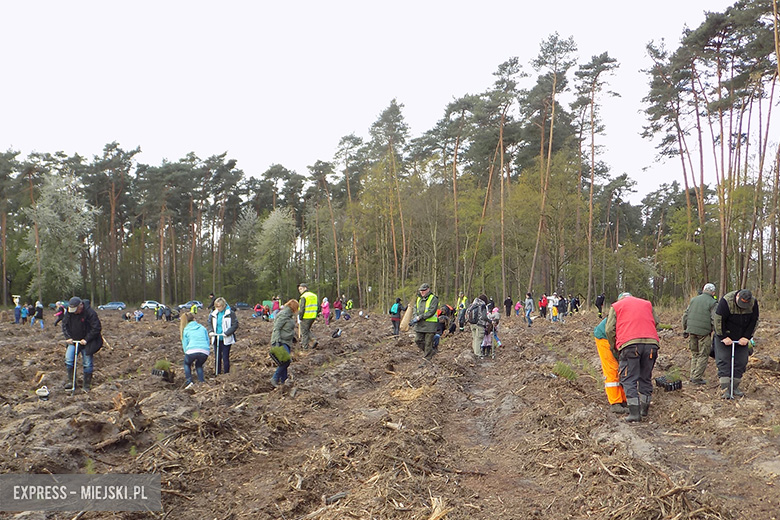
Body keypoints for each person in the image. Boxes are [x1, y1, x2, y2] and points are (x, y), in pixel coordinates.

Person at [606, 292, 660, 422]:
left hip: (629, 345)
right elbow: (656, 322)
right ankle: (644, 409)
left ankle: (634, 413)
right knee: (645, 377)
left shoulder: (616, 306)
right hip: (652, 344)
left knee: (628, 378)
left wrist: (614, 346)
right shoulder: (647, 304)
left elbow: (609, 330)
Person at [713, 289, 759, 399]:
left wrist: (747, 337)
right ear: (737, 296)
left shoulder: (753, 303)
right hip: (725, 335)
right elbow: (718, 320)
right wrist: (723, 336)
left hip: (742, 337)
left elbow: (754, 321)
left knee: (741, 361)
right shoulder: (726, 301)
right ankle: (725, 389)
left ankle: (734, 387)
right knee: (724, 360)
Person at [61, 296, 103, 392]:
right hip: (73, 341)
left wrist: (87, 339)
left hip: (87, 342)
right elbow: (64, 325)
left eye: (76, 310)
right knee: (69, 359)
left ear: (81, 306)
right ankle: (71, 381)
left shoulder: (90, 313)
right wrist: (68, 337)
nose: (74, 312)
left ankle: (86, 385)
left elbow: (96, 328)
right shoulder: (69, 313)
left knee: (87, 363)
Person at [682, 283, 717, 385]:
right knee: (703, 355)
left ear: (703, 289)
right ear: (713, 292)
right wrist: (716, 331)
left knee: (695, 354)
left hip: (691, 330)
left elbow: (685, 315)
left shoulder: (693, 300)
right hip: (704, 333)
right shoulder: (713, 302)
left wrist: (685, 329)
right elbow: (714, 319)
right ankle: (697, 378)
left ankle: (692, 375)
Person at [594, 317, 628, 414]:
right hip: (605, 337)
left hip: (617, 336)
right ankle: (615, 402)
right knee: (612, 368)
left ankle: (624, 399)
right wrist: (614, 350)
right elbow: (609, 330)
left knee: (623, 368)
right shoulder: (625, 310)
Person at [270, 299, 299, 387]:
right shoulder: (283, 315)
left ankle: (284, 381)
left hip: (287, 341)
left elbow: (287, 328)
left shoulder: (289, 316)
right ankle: (275, 378)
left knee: (284, 362)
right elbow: (277, 328)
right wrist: (276, 342)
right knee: (286, 361)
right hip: (281, 341)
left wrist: (293, 337)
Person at [207, 297, 239, 375]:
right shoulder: (213, 314)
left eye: (219, 306)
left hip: (226, 338)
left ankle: (226, 373)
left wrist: (227, 333)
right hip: (216, 337)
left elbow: (235, 324)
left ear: (223, 305)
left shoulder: (230, 313)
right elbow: (209, 322)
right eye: (216, 306)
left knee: (225, 357)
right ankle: (217, 373)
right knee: (217, 357)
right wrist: (211, 331)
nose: (218, 308)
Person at [409, 283, 439, 360]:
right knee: (417, 340)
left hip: (430, 325)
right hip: (420, 325)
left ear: (428, 290)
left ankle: (427, 359)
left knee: (428, 343)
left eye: (424, 290)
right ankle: (430, 351)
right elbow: (415, 308)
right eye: (421, 290)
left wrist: (420, 317)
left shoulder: (433, 299)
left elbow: (431, 311)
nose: (422, 292)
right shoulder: (418, 298)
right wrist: (416, 316)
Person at [180, 312, 210, 389]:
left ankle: (189, 381)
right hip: (204, 350)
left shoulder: (186, 329)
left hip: (191, 350)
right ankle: (201, 381)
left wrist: (186, 353)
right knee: (199, 365)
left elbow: (185, 344)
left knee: (187, 364)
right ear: (194, 319)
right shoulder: (202, 328)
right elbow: (207, 340)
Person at [297, 283, 319, 349]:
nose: (300, 291)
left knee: (304, 332)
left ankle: (305, 347)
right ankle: (313, 340)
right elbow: (318, 307)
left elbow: (302, 308)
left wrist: (300, 317)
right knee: (307, 330)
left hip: (305, 316)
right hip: (313, 316)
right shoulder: (314, 295)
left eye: (301, 289)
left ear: (305, 288)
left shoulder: (304, 296)